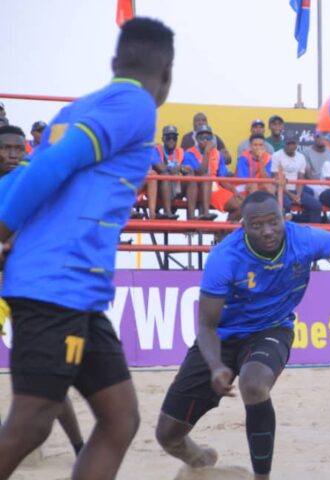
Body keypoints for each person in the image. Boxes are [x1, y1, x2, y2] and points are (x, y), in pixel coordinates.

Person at [0, 18, 174, 479]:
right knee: (32, 423)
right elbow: (53, 164)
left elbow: (34, 174)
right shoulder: (137, 103)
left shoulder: (76, 108)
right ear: (167, 74)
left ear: (115, 62)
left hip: (79, 292)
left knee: (120, 418)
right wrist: (2, 229)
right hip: (59, 282)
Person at [154, 191, 330, 479]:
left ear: (285, 218)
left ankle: (262, 476)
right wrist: (215, 366)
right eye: (257, 225)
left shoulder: (304, 238)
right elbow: (207, 326)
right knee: (168, 436)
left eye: (273, 222)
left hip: (272, 329)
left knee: (254, 384)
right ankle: (202, 461)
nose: (267, 231)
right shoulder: (224, 257)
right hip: (221, 338)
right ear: (242, 226)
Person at [0, 125, 87, 458]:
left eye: (18, 149)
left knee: (50, 377)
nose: (12, 154)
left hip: (31, 287)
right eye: (5, 148)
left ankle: (79, 446)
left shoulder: (31, 179)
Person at [184, 125, 242, 222]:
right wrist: (207, 152)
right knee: (206, 177)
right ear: (197, 139)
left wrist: (234, 190)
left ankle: (223, 233)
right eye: (202, 137)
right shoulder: (189, 153)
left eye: (208, 137)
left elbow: (222, 178)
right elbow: (201, 172)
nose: (205, 140)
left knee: (241, 205)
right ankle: (206, 213)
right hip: (196, 189)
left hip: (214, 188)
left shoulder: (217, 153)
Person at [270, 133, 322, 223]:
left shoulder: (301, 157)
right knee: (286, 205)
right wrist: (291, 195)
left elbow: (300, 178)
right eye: (288, 143)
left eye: (293, 143)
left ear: (297, 143)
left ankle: (313, 232)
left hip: (297, 189)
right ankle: (285, 231)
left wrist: (297, 195)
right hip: (281, 189)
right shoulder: (276, 156)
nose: (291, 146)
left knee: (316, 206)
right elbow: (276, 180)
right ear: (284, 143)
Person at [302, 132, 330, 198]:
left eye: (323, 137)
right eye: (318, 137)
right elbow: (309, 175)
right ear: (314, 138)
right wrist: (321, 184)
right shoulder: (306, 152)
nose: (321, 139)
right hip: (314, 184)